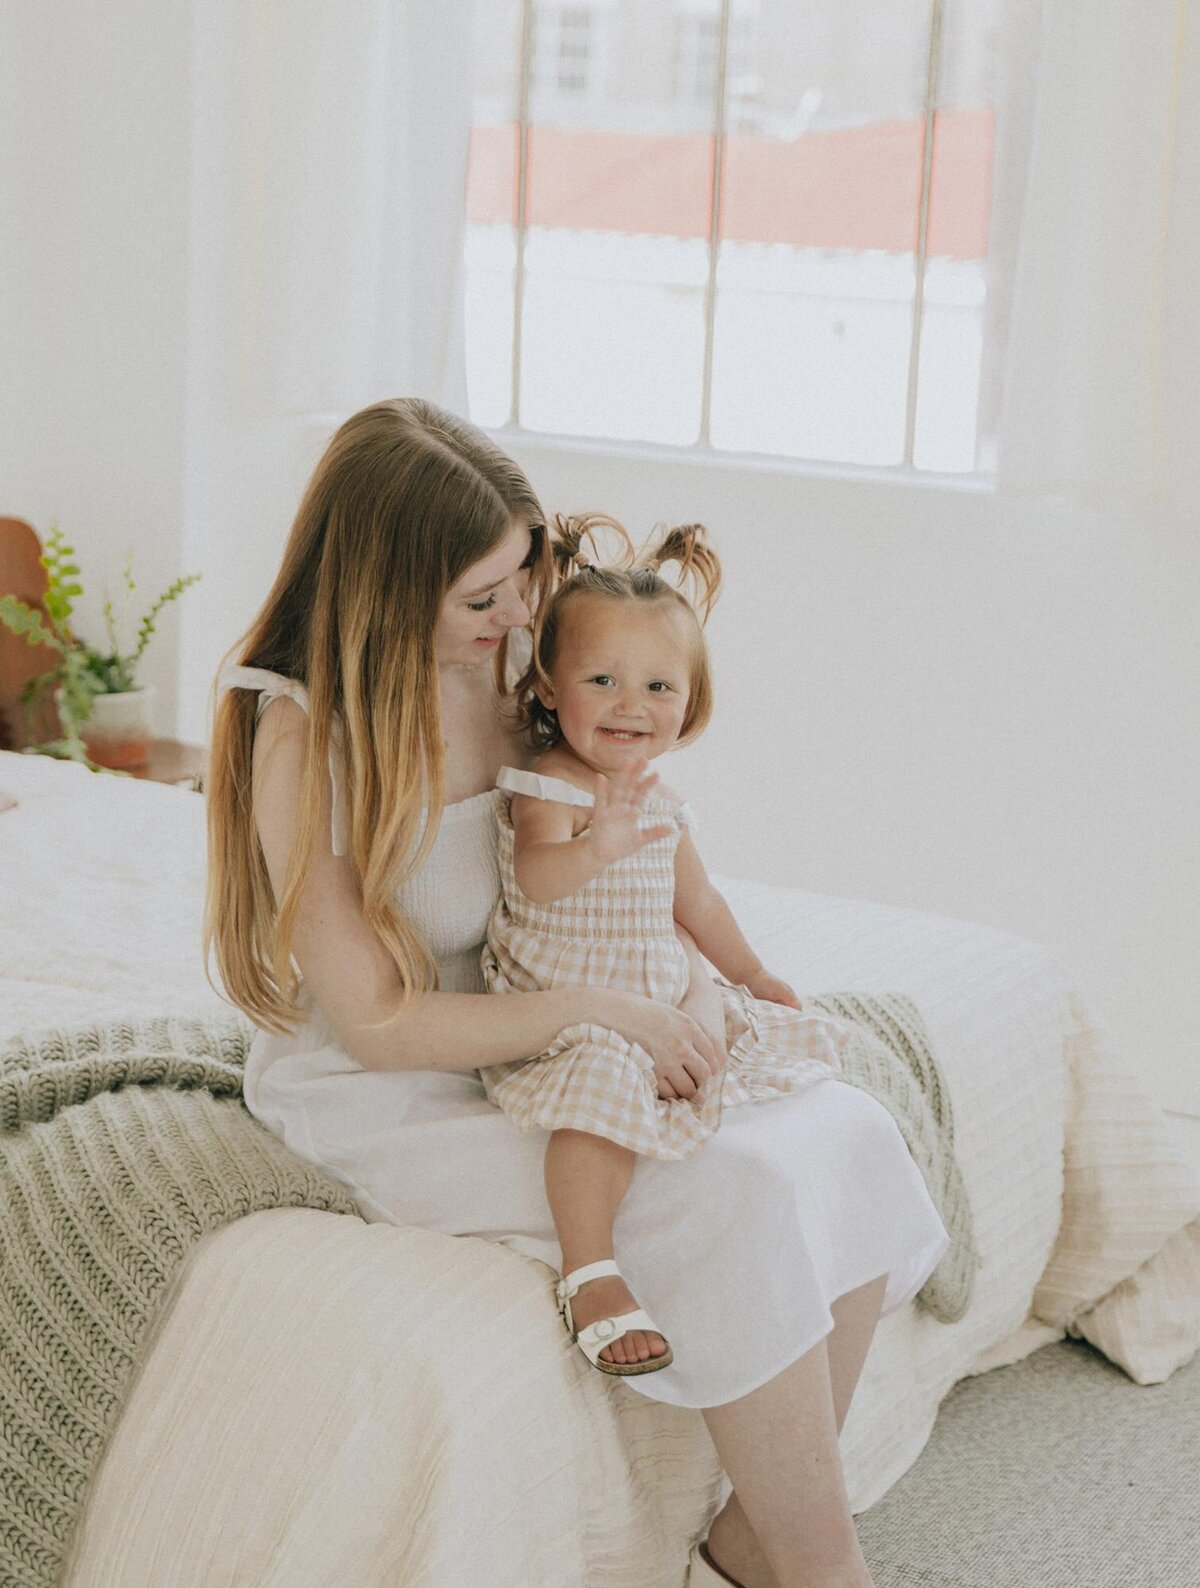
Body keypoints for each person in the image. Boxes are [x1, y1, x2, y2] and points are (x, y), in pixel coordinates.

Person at [206, 397, 949, 1588]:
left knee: (842, 1126)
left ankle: (759, 1535)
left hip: (553, 1023)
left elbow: (621, 856)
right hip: (398, 1085)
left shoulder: (517, 660)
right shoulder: (303, 732)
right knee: (736, 1188)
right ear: (389, 590)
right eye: (483, 597)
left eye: (523, 576)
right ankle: (825, 1570)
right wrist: (613, 1015)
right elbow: (381, 1024)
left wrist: (700, 990)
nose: (520, 615)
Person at [480, 513, 860, 1385]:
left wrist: (752, 974)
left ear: (690, 702)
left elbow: (699, 903)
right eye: (603, 679)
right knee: (603, 1085)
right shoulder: (549, 783)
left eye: (658, 687)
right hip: (564, 1006)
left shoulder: (661, 799)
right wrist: (594, 847)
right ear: (547, 686)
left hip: (650, 985)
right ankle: (591, 1269)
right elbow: (536, 879)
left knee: (769, 1047)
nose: (630, 705)